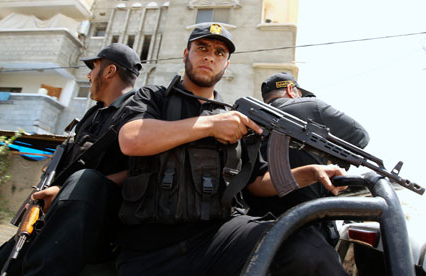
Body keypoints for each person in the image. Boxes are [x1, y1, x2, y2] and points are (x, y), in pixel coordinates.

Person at [115, 22, 348, 276]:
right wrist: (210, 125)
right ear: (186, 54)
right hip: (148, 248)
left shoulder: (236, 119)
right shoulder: (154, 97)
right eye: (201, 48)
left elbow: (258, 181)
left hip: (217, 237)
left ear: (226, 64)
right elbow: (131, 139)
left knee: (306, 248)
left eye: (219, 53)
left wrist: (311, 172)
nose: (209, 56)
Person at [0, 43, 142, 276]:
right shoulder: (94, 113)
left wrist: (67, 194)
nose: (88, 75)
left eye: (93, 67)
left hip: (94, 223)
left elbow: (139, 170)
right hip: (55, 215)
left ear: (110, 71)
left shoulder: (138, 110)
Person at [246, 72, 370, 245]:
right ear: (291, 90)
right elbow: (360, 137)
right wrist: (325, 159)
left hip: (256, 227)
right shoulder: (310, 106)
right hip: (307, 225)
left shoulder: (248, 119)